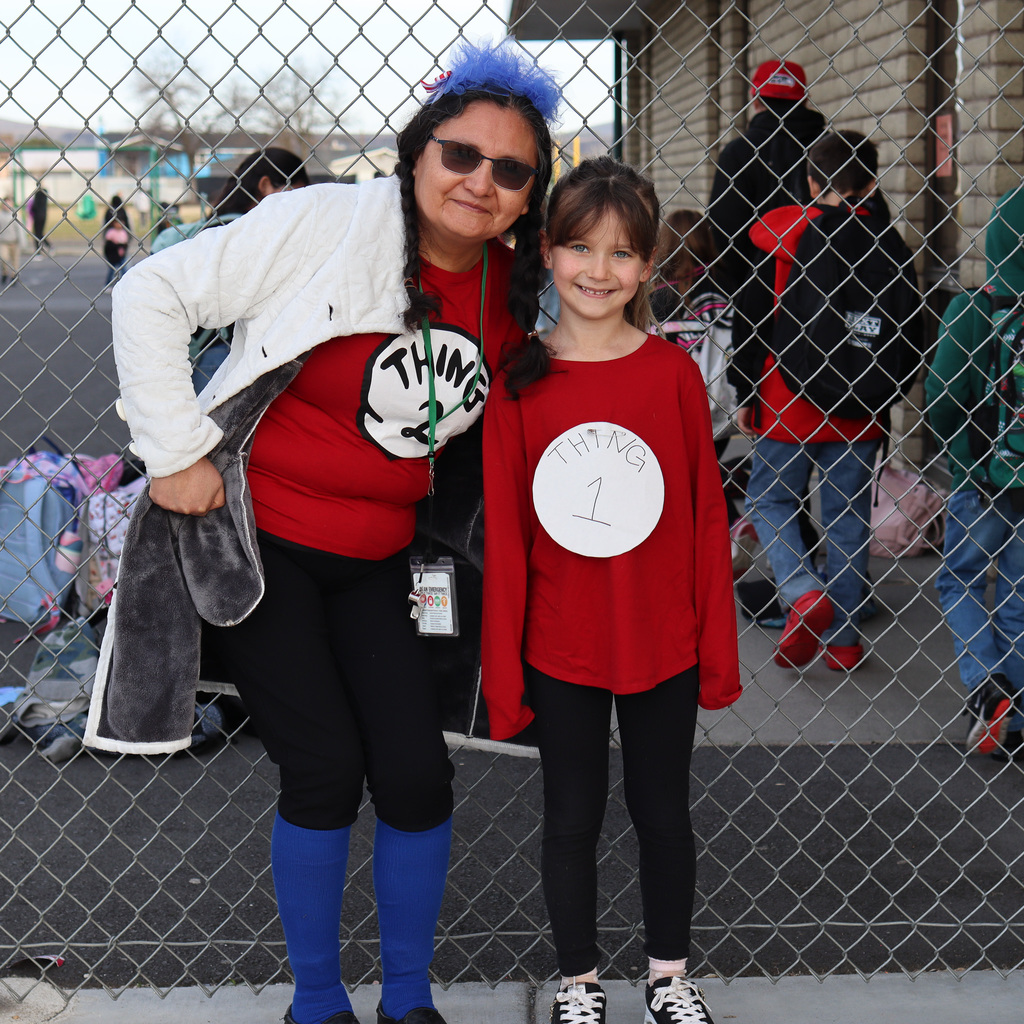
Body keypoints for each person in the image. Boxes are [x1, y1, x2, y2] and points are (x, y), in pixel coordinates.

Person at [84, 37, 560, 1024]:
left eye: (510, 169)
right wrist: (174, 454)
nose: (480, 182)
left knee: (419, 774)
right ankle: (316, 1002)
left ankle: (409, 1001)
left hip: (385, 560)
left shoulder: (514, 288)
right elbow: (148, 290)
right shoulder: (328, 222)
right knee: (323, 767)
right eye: (460, 155)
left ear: (528, 194)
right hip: (261, 546)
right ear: (418, 153)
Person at [481, 157, 741, 1024]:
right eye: (581, 247)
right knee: (572, 815)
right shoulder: (521, 378)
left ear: (648, 265)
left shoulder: (670, 374)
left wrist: (715, 645)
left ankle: (669, 976)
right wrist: (504, 667)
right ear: (548, 251)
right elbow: (510, 539)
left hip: (660, 635)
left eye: (623, 253)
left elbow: (707, 515)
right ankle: (579, 980)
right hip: (563, 639)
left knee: (664, 812)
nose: (600, 270)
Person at [728, 130, 913, 673]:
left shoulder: (780, 232)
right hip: (862, 410)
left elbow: (753, 317)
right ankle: (845, 640)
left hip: (789, 399)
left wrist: (745, 390)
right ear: (872, 184)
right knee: (848, 518)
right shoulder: (888, 244)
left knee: (769, 499)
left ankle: (802, 590)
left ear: (810, 180)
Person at [926, 185, 1024, 764]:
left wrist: (962, 457)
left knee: (959, 579)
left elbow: (941, 396)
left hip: (983, 475)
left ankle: (987, 685)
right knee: (1019, 594)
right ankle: (1017, 710)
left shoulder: (973, 307)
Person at [153, 148, 311, 389]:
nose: (300, 208)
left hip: (192, 351)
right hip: (233, 352)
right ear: (266, 186)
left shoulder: (209, 231)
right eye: (294, 194)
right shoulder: (257, 235)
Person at [707, 59, 826, 285]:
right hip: (825, 283)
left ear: (755, 99)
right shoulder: (832, 150)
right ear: (805, 99)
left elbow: (723, 235)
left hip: (756, 288)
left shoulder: (738, 153)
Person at [102, 195, 132, 287]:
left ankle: (121, 283)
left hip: (114, 246)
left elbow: (104, 225)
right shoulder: (123, 211)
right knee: (121, 266)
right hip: (118, 246)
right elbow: (129, 225)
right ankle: (124, 283)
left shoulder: (108, 211)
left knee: (116, 266)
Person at [0, 196, 25, 287]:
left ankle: (14, 276)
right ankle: (5, 272)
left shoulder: (15, 214)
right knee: (4, 258)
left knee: (15, 260)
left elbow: (20, 230)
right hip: (3, 241)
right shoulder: (1, 215)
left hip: (14, 241)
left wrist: (22, 243)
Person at [29, 186, 49, 252]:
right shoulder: (45, 193)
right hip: (43, 216)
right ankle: (48, 246)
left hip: (38, 216)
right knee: (39, 233)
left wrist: (31, 209)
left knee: (37, 234)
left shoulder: (38, 194)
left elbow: (35, 206)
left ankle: (38, 251)